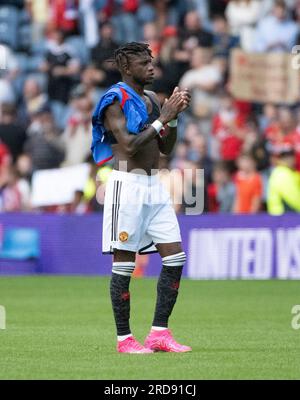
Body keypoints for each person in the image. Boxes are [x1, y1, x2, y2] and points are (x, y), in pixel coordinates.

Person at [92, 42, 192, 354]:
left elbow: (166, 149)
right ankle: (125, 339)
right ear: (126, 68)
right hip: (127, 187)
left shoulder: (150, 98)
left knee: (175, 258)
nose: (151, 67)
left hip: (154, 186)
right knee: (125, 263)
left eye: (151, 62)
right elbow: (130, 145)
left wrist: (173, 118)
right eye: (143, 63)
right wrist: (164, 118)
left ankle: (159, 333)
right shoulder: (114, 100)